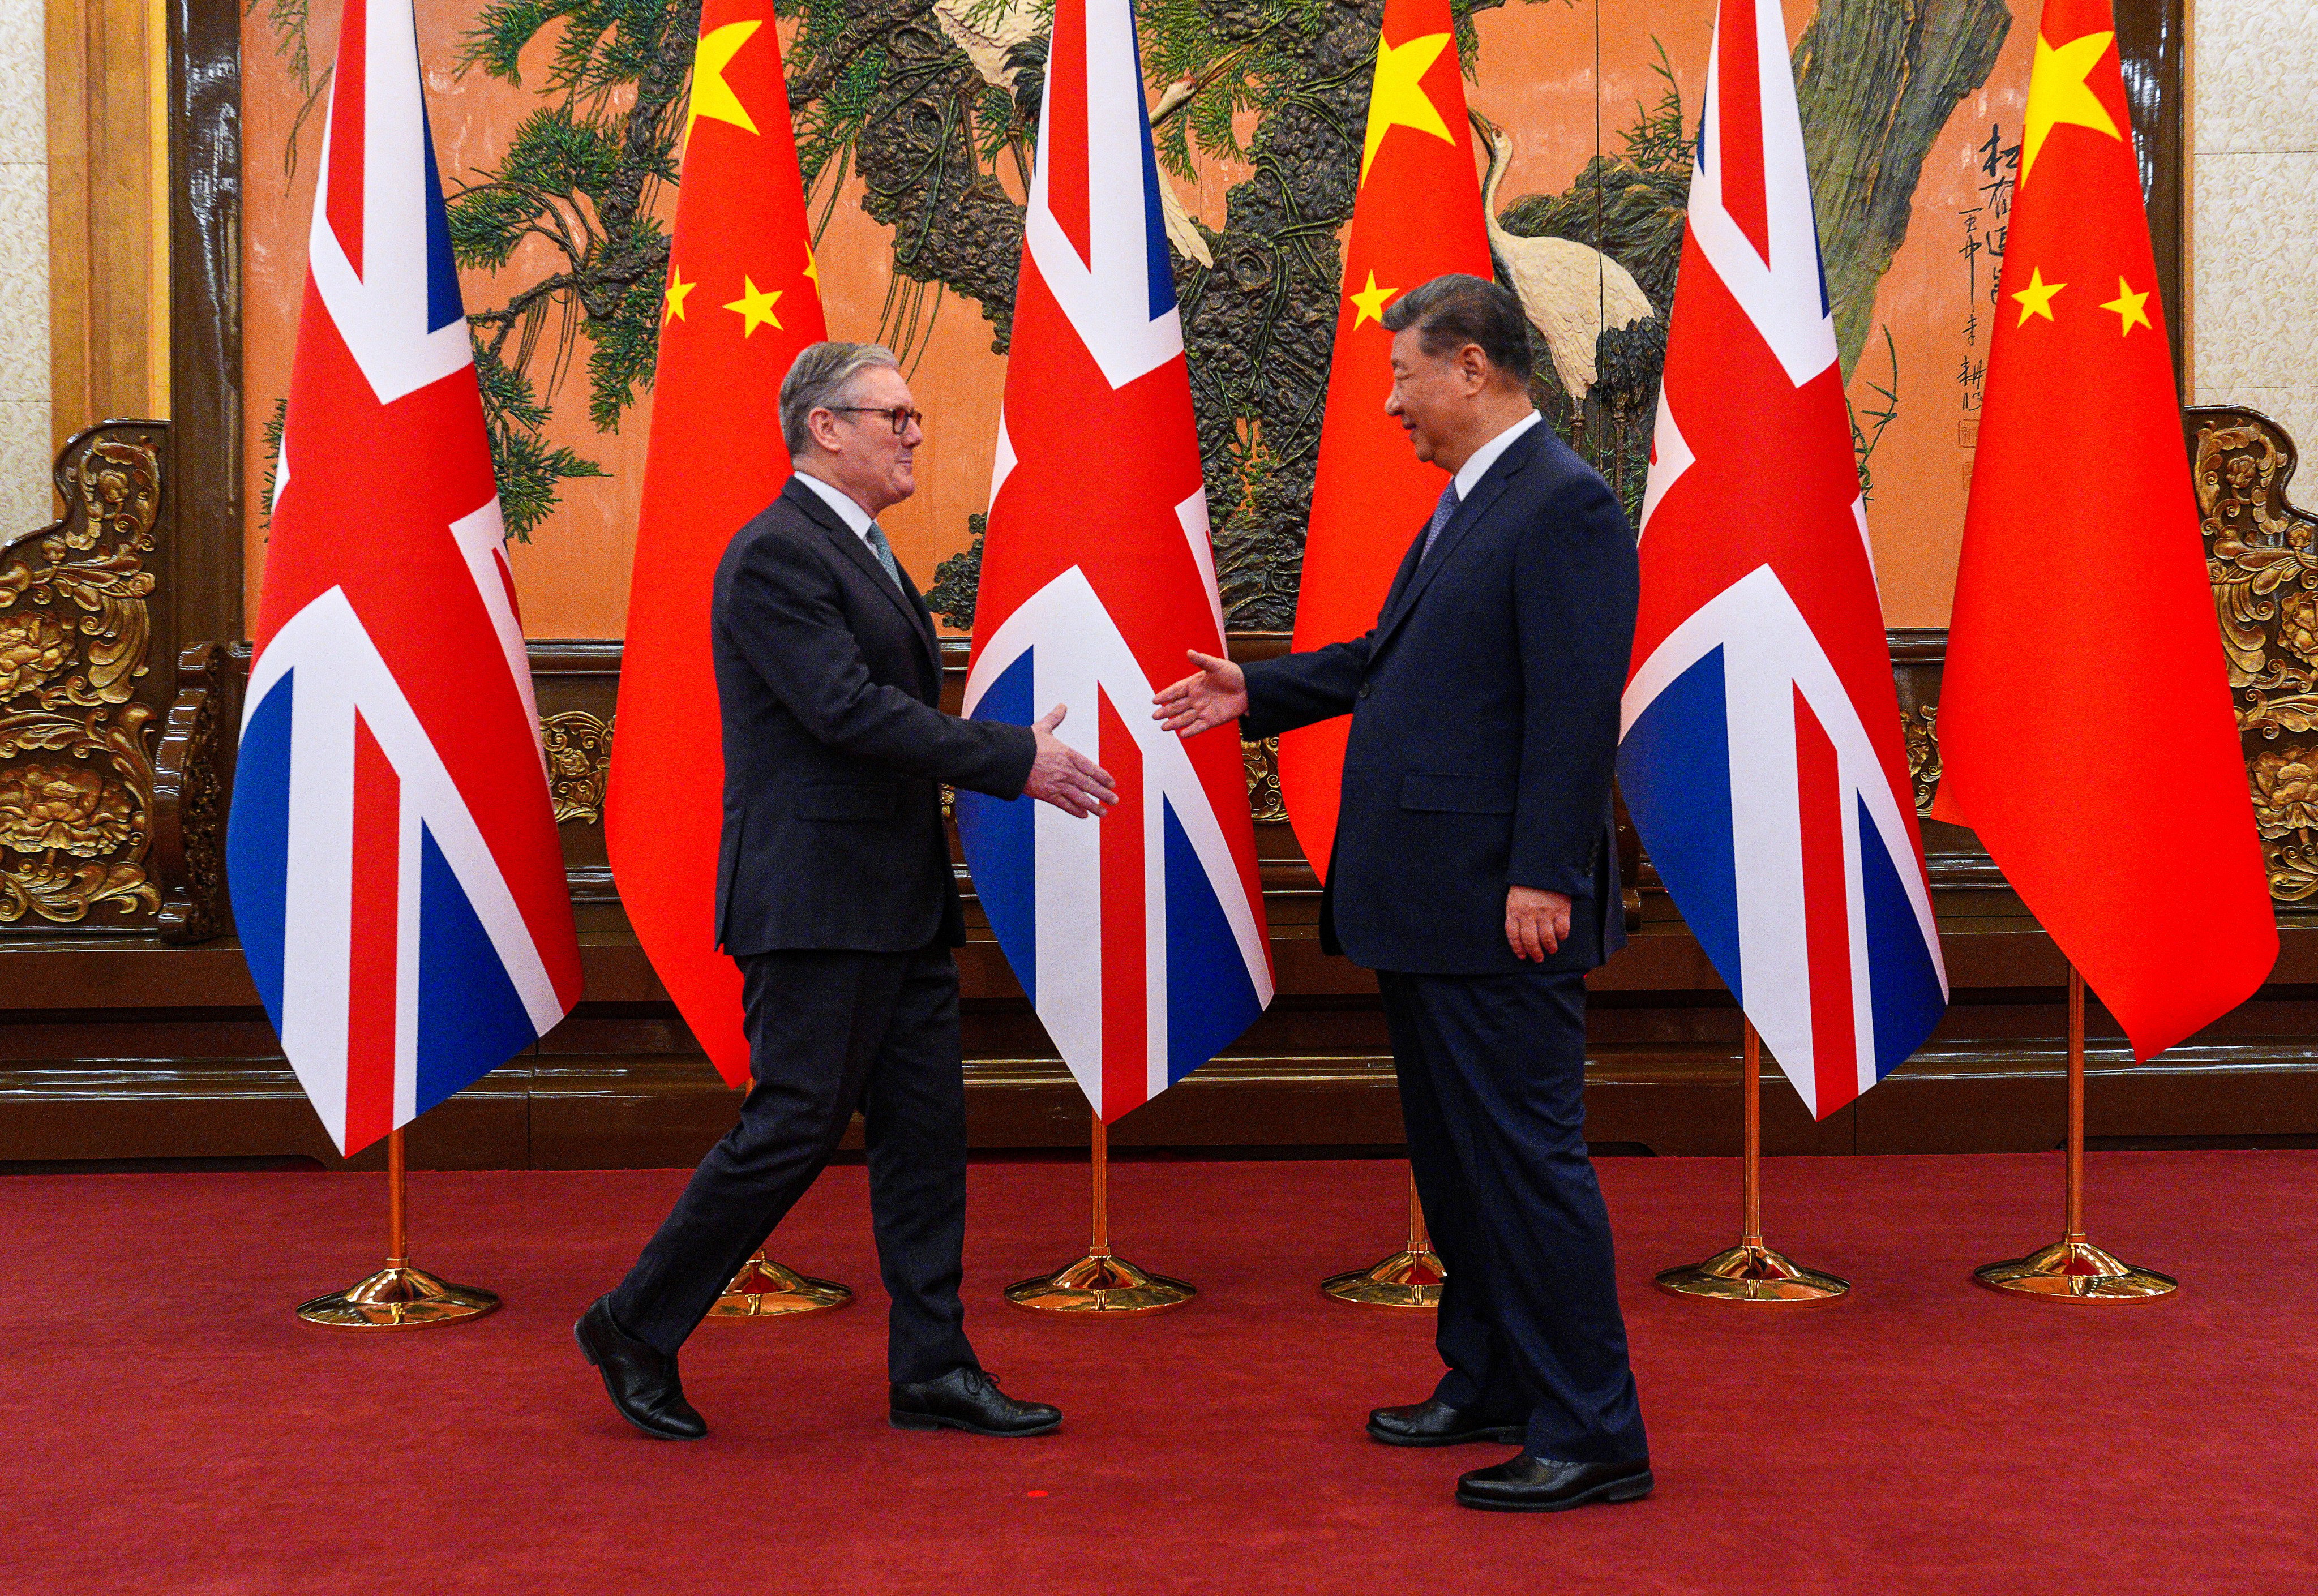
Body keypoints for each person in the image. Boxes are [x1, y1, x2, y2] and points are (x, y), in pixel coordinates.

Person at [1154, 274, 1650, 1512]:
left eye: (1401, 376)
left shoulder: (1562, 507)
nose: (1390, 405)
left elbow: (1575, 708)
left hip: (1501, 905)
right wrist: (1252, 694)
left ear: (1471, 368)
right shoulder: (1476, 504)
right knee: (1460, 1164)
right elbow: (1396, 661)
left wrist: (1544, 871)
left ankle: (1593, 1431)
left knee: (1525, 1165)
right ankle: (1485, 1378)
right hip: (1434, 904)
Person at [577, 341, 1116, 1442]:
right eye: (896, 417)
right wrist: (1008, 759)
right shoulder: (776, 554)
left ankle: (931, 1367)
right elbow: (842, 712)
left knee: (926, 1137)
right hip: (815, 900)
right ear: (825, 427)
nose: (914, 433)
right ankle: (633, 1321)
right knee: (789, 1128)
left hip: (895, 900)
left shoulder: (858, 551)